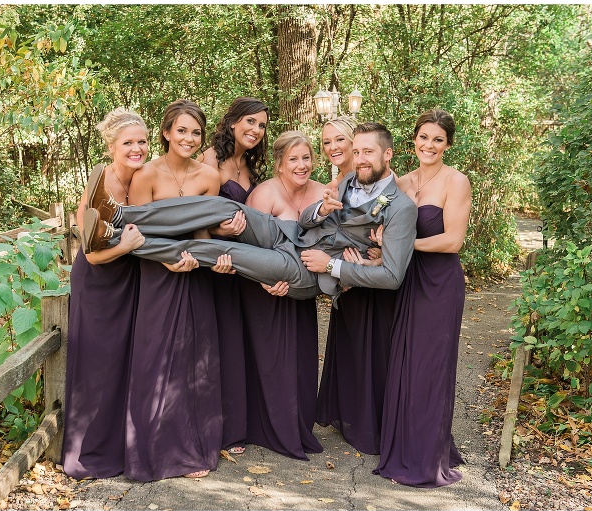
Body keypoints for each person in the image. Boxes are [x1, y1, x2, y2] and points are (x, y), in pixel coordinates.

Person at [82, 122, 417, 300]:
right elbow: (306, 220)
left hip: (307, 271)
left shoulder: (401, 208)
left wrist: (331, 265)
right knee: (223, 207)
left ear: (387, 155)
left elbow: (391, 277)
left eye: (368, 152)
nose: (359, 159)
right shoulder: (348, 182)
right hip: (290, 234)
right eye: (357, 152)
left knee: (219, 250)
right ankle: (118, 215)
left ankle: (111, 238)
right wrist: (319, 210)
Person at [121, 99, 224, 481]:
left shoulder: (209, 177)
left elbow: (203, 232)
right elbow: (137, 233)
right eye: (181, 130)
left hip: (195, 273)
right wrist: (166, 259)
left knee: (195, 360)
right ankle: (152, 451)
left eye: (196, 132)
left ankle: (192, 448)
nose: (189, 138)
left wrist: (210, 258)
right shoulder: (145, 175)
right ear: (166, 133)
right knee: (157, 358)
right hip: (157, 272)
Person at [373, 108, 472, 487]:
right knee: (404, 363)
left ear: (448, 145)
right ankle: (403, 447)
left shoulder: (456, 182)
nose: (429, 145)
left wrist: (403, 244)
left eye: (438, 140)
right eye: (424, 137)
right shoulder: (399, 183)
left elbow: (453, 240)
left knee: (430, 366)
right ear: (414, 139)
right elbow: (377, 222)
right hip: (404, 280)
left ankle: (427, 457)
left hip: (439, 284)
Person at [61, 107, 148, 479]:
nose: (137, 148)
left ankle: (123, 444)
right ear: (111, 147)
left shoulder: (146, 177)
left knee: (125, 358)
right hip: (98, 280)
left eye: (142, 141)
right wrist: (125, 247)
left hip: (131, 278)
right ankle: (86, 449)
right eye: (128, 143)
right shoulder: (100, 183)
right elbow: (91, 253)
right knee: (98, 360)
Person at [314, 117, 399, 455]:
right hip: (345, 277)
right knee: (348, 344)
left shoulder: (382, 183)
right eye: (326, 142)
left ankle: (369, 423)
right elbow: (329, 230)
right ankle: (346, 415)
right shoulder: (339, 183)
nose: (334, 147)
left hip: (369, 278)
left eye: (340, 140)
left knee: (372, 347)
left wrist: (379, 252)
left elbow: (393, 228)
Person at [239, 131, 325, 459]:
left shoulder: (323, 193)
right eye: (293, 159)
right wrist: (264, 281)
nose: (301, 165)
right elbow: (246, 246)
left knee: (301, 360)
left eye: (306, 158)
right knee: (272, 360)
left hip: (302, 291)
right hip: (266, 290)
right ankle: (268, 427)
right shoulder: (265, 194)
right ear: (279, 164)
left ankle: (298, 424)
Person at [199, 97, 269, 455]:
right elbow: (196, 215)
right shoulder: (210, 159)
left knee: (241, 341)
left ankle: (241, 424)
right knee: (218, 341)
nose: (256, 130)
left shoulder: (250, 167)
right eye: (250, 122)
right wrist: (217, 234)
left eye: (262, 125)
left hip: (246, 265)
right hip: (217, 263)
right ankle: (216, 428)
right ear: (232, 122)